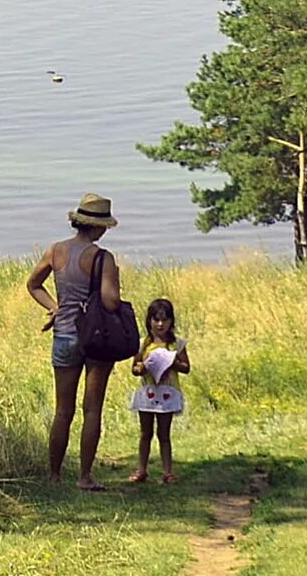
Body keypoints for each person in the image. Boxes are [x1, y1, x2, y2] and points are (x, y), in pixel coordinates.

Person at [24, 193, 126, 489]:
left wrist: (54, 307)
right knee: (92, 409)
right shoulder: (103, 258)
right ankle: (84, 477)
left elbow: (33, 284)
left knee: (62, 411)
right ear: (100, 228)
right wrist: (115, 280)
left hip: (65, 335)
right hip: (96, 339)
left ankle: (54, 476)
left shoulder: (55, 251)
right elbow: (110, 301)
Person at [125, 298, 189, 486]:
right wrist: (144, 366)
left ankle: (167, 471)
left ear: (171, 322)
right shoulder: (143, 344)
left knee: (164, 433)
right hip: (148, 393)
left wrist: (173, 363)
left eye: (165, 320)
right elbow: (134, 369)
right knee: (145, 433)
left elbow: (186, 367)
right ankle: (142, 469)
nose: (160, 324)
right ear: (149, 321)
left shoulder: (176, 344)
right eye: (156, 320)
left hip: (167, 394)